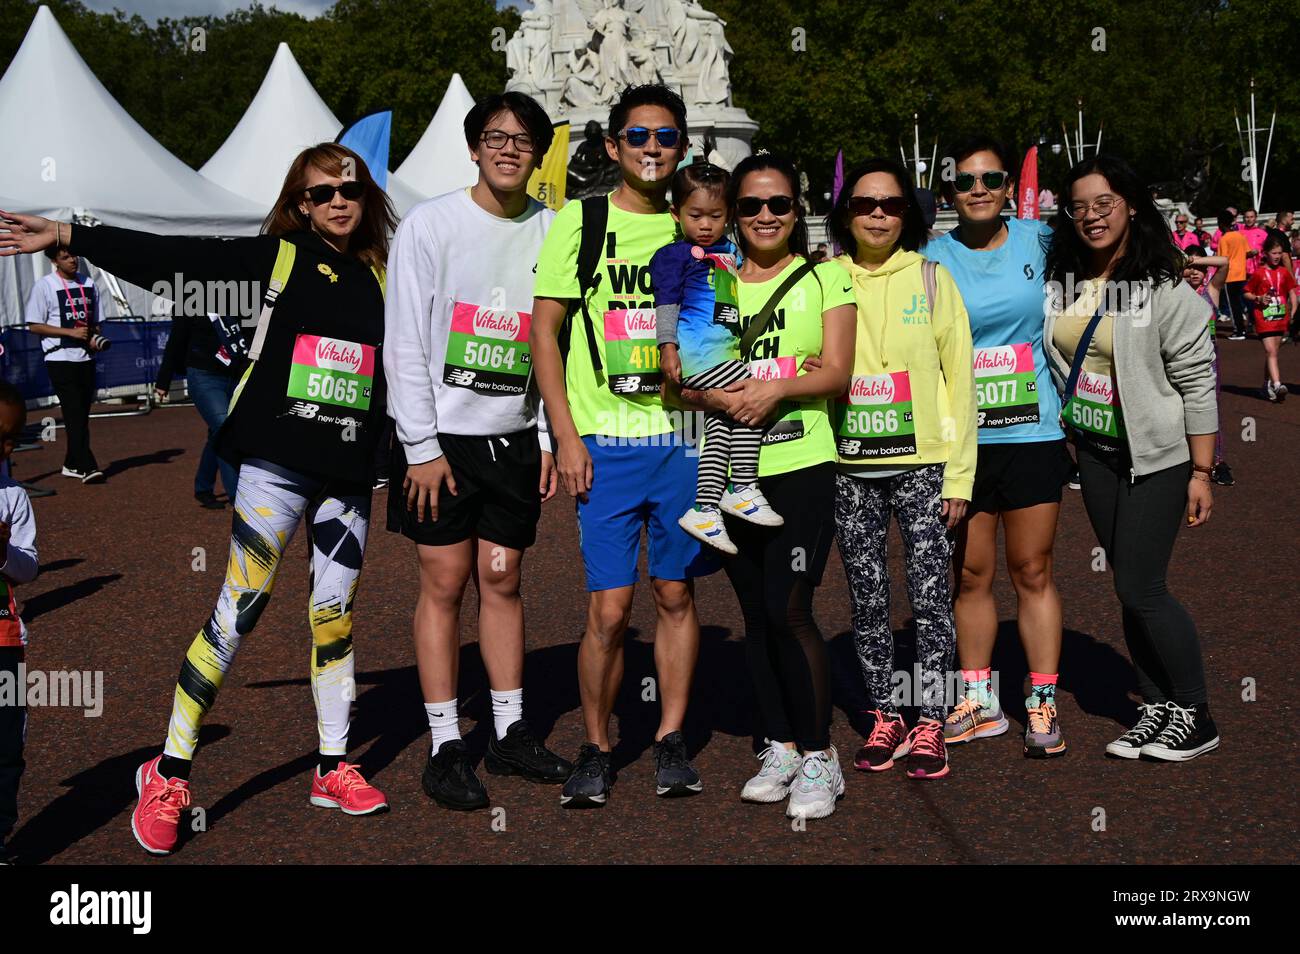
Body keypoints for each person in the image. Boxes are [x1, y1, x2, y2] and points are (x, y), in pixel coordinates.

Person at [1, 141, 397, 853]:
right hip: (276, 470)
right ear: (296, 204)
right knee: (239, 611)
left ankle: (333, 765)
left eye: (350, 188)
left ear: (367, 195)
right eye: (319, 193)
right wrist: (67, 235)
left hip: (347, 479)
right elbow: (164, 257)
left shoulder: (380, 275)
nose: (337, 201)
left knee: (334, 619)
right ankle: (169, 771)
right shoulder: (272, 258)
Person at [384, 92, 571, 811]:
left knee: (502, 581)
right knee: (444, 585)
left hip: (515, 441)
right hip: (442, 446)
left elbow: (554, 344)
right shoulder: (429, 225)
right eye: (495, 137)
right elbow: (403, 341)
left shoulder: (552, 230)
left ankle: (509, 732)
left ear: (537, 152)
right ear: (472, 148)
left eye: (523, 139)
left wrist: (550, 436)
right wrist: (421, 447)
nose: (508, 148)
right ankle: (444, 745)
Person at [530, 84, 714, 808]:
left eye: (666, 137)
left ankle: (671, 739)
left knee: (675, 592)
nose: (651, 147)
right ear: (613, 147)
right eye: (637, 135)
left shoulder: (696, 225)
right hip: (605, 441)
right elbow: (544, 332)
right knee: (608, 610)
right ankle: (598, 744)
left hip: (682, 439)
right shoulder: (584, 218)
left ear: (682, 148)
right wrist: (564, 435)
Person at [681, 152, 855, 819]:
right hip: (729, 471)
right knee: (754, 615)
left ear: (797, 209)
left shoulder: (824, 278)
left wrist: (779, 385)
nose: (763, 216)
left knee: (790, 608)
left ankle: (819, 754)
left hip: (803, 465)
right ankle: (779, 743)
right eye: (749, 205)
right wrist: (729, 397)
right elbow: (681, 378)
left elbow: (836, 371)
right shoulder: (713, 279)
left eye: (777, 204)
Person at [1046, 154, 1219, 763]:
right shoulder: (1065, 279)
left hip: (1159, 455)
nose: (1091, 216)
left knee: (1142, 585)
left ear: (1132, 206)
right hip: (1094, 451)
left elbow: (1197, 381)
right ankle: (1155, 705)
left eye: (1104, 203)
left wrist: (1202, 471)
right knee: (1126, 586)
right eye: (1079, 207)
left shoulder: (1163, 285)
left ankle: (1195, 713)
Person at [925, 136, 1073, 759]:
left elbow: (1109, 264)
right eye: (965, 181)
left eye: (990, 179)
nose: (978, 189)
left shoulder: (1042, 242)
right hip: (963, 442)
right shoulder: (929, 256)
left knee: (1032, 570)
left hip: (1033, 433)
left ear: (1011, 187)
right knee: (971, 574)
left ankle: (1041, 699)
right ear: (949, 193)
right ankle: (979, 698)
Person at [829, 157, 976, 781]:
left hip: (924, 465)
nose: (879, 214)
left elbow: (961, 382)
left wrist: (960, 477)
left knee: (930, 597)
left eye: (891, 204)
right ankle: (886, 711)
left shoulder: (934, 280)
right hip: (850, 465)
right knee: (867, 597)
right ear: (847, 213)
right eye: (865, 204)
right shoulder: (824, 278)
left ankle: (931, 720)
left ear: (908, 213)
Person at [653, 162, 783, 555]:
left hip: (721, 350)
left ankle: (706, 507)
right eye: (695, 216)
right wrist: (667, 347)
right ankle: (742, 485)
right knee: (750, 397)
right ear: (676, 214)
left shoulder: (729, 249)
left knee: (723, 427)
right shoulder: (674, 255)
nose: (706, 225)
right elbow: (666, 303)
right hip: (696, 354)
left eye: (716, 216)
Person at [23, 245, 107, 483]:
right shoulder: (45, 286)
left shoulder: (89, 285)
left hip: (86, 358)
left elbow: (97, 321)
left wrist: (93, 336)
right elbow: (34, 325)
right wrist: (69, 333)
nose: (73, 260)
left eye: (74, 255)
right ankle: (87, 466)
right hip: (59, 358)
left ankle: (71, 463)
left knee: (81, 412)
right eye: (65, 257)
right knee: (73, 412)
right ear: (55, 262)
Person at [154, 310, 248, 509]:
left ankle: (203, 487)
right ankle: (238, 499)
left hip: (236, 374)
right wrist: (163, 381)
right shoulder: (192, 299)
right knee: (226, 430)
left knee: (217, 433)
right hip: (204, 375)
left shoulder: (242, 295)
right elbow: (176, 340)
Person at [0, 381, 38, 866]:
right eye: (0, 435)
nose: (7, 446)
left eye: (14, 437)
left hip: (4, 639)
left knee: (7, 745)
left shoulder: (13, 497)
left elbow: (29, 567)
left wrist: (3, 553)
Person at [1181, 246, 1235, 486]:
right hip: (1181, 359)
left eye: (1200, 269)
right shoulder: (1175, 291)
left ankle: (1216, 461)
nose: (1194, 272)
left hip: (1209, 359)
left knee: (1210, 409)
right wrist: (1184, 263)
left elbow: (1224, 262)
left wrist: (1195, 259)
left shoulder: (1211, 291)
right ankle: (1186, 459)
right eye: (1190, 268)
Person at [1243, 234, 1295, 401]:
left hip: (1280, 317)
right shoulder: (1259, 273)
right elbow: (1246, 292)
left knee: (1273, 353)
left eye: (1279, 253)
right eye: (1274, 253)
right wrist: (1258, 298)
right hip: (1263, 317)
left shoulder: (1284, 272)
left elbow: (1292, 290)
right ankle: (1278, 384)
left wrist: (1293, 309)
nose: (1277, 256)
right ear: (1265, 253)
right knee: (1270, 351)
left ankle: (1266, 384)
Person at [1216, 210, 1250, 340]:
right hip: (1242, 273)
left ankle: (1239, 331)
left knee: (1233, 305)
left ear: (1222, 224)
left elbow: (1222, 259)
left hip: (1230, 275)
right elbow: (1248, 252)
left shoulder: (1224, 239)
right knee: (1242, 304)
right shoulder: (1240, 236)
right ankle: (1245, 328)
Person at [1239, 208, 1267, 278]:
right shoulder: (1238, 233)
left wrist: (1259, 253)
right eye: (1247, 217)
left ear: (1255, 218)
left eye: (1251, 217)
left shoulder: (1263, 234)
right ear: (1243, 218)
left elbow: (1268, 250)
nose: (1249, 219)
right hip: (1241, 270)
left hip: (1258, 268)